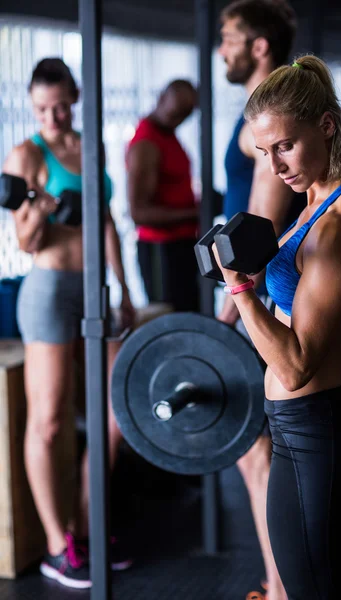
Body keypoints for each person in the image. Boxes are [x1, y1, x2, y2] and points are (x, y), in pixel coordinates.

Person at [213, 54, 341, 599]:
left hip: (313, 430)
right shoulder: (313, 199)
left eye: (284, 145)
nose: (276, 165)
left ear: (326, 125)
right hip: (311, 424)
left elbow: (294, 366)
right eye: (265, 152)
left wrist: (239, 288)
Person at [2, 58, 135, 589]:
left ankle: (86, 525)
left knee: (116, 415)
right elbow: (25, 242)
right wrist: (40, 206)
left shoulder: (90, 146)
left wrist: (123, 287)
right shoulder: (26, 154)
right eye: (41, 109)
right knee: (49, 420)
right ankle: (60, 547)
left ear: (75, 97)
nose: (52, 117)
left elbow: (105, 220)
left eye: (60, 105)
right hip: (50, 291)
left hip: (95, 289)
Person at [217, 2, 301, 597]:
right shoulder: (261, 110)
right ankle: (278, 585)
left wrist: (234, 297)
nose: (222, 49)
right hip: (255, 293)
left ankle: (280, 588)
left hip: (260, 296)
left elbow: (259, 229)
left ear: (259, 46)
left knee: (258, 455)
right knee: (260, 454)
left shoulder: (269, 118)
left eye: (228, 38)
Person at [126, 80, 199, 312]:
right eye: (175, 113)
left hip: (181, 245)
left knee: (189, 318)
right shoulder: (147, 143)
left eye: (185, 115)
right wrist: (196, 212)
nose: (179, 120)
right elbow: (138, 213)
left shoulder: (167, 133)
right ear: (160, 99)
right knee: (169, 322)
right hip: (161, 249)